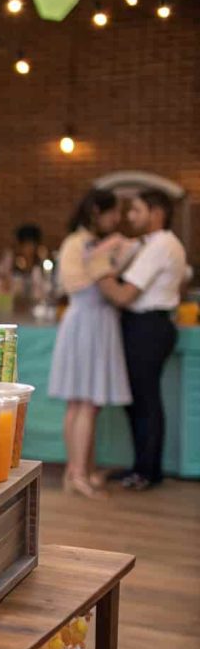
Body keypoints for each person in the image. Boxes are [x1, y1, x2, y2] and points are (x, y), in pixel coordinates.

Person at [98, 190, 189, 490]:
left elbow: (125, 295)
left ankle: (147, 472)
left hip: (147, 326)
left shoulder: (161, 244)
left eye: (136, 210)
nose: (130, 216)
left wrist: (95, 273)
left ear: (157, 212)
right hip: (149, 325)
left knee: (145, 400)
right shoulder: (157, 244)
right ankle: (142, 467)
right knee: (139, 399)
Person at [48, 189, 133, 499]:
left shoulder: (88, 243)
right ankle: (78, 473)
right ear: (97, 211)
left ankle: (81, 470)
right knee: (83, 402)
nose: (117, 219)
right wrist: (103, 259)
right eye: (113, 212)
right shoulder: (78, 242)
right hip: (86, 322)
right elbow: (73, 282)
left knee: (86, 403)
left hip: (94, 322)